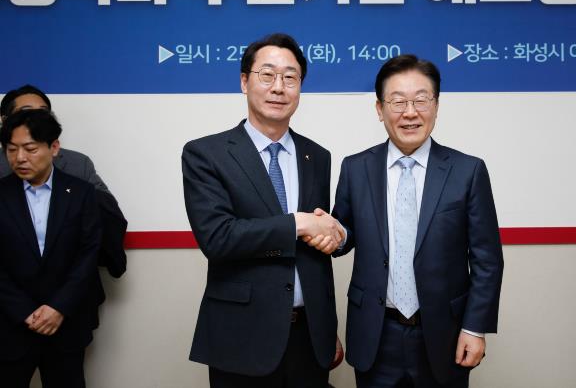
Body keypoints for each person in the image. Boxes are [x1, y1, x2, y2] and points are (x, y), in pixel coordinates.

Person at [332, 54, 504, 387]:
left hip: (444, 334)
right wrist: (331, 233)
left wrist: (474, 327)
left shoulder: (467, 171)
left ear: (436, 106)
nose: (410, 112)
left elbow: (487, 260)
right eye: (398, 102)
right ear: (380, 109)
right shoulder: (355, 168)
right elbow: (345, 233)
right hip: (375, 334)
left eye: (421, 100)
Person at [182, 33, 343, 387]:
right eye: (267, 75)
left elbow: (315, 254)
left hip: (309, 338)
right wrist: (297, 223)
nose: (278, 87)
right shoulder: (206, 154)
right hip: (242, 337)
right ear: (244, 82)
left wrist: (326, 326)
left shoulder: (317, 156)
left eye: (290, 77)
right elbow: (218, 238)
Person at [0, 109, 102, 387]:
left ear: (53, 147)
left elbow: (88, 255)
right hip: (10, 325)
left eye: (30, 149)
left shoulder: (81, 193)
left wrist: (58, 306)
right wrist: (24, 311)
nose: (20, 158)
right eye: (12, 149)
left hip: (66, 325)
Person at [0, 85, 126, 278]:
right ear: (5, 121)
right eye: (26, 113)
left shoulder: (78, 164)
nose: (36, 120)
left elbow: (107, 211)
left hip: (73, 280)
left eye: (43, 113)